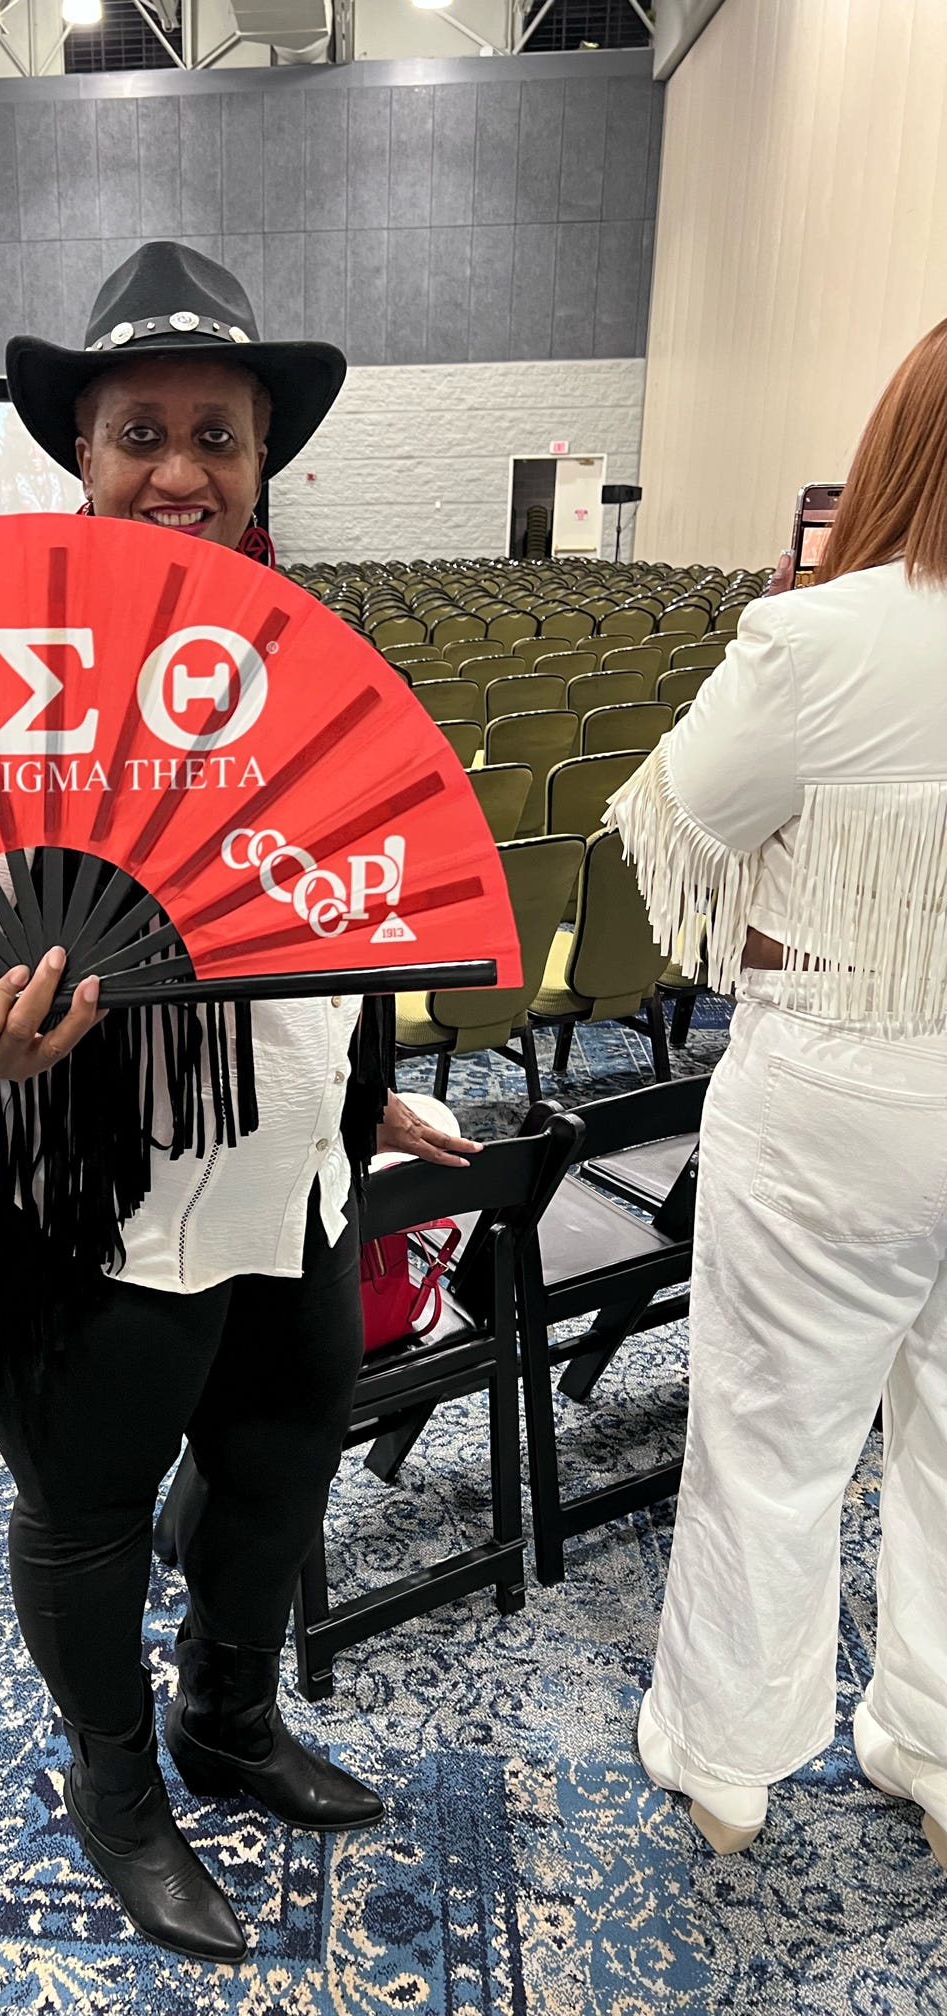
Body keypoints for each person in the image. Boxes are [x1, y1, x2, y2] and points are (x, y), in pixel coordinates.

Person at [0, 242, 481, 1964]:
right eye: (142, 432)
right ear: (82, 451)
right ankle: (117, 1789)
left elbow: (336, 922)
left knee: (279, 1468)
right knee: (91, 1509)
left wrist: (366, 1096)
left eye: (219, 433)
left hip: (290, 1172)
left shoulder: (322, 658)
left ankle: (227, 1720)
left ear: (265, 455)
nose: (182, 472)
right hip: (80, 1190)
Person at [609, 319, 947, 1866]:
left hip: (836, 1081)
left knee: (771, 1434)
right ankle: (934, 1752)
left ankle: (731, 1764)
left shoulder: (817, 638)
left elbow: (672, 836)